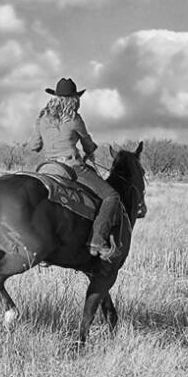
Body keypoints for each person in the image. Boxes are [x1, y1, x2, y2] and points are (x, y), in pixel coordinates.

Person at [26, 77, 122, 261]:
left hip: (47, 168)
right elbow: (88, 144)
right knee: (111, 196)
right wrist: (89, 151)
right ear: (73, 99)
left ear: (55, 97)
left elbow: (33, 146)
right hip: (71, 166)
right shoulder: (75, 119)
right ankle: (97, 240)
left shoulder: (43, 119)